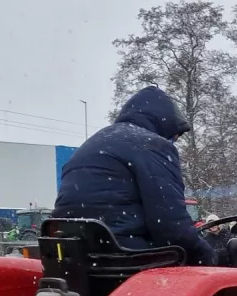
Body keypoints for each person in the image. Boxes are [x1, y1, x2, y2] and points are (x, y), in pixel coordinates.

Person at [53, 86, 218, 265]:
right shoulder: (153, 145)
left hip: (76, 261)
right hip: (128, 260)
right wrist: (211, 259)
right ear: (164, 125)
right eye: (174, 137)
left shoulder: (91, 144)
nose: (174, 141)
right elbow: (171, 226)